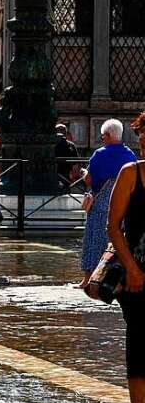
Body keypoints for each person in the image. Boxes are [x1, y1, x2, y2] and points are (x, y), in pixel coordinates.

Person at [106, 111, 145, 403]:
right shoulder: (131, 174)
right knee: (140, 345)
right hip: (137, 274)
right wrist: (131, 267)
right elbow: (113, 226)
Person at [80, 119, 139, 288]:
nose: (102, 139)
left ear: (107, 135)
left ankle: (88, 279)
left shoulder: (100, 154)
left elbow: (91, 179)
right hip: (123, 203)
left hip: (101, 203)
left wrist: (84, 173)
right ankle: (115, 279)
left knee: (93, 238)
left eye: (102, 136)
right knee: (117, 241)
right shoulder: (130, 154)